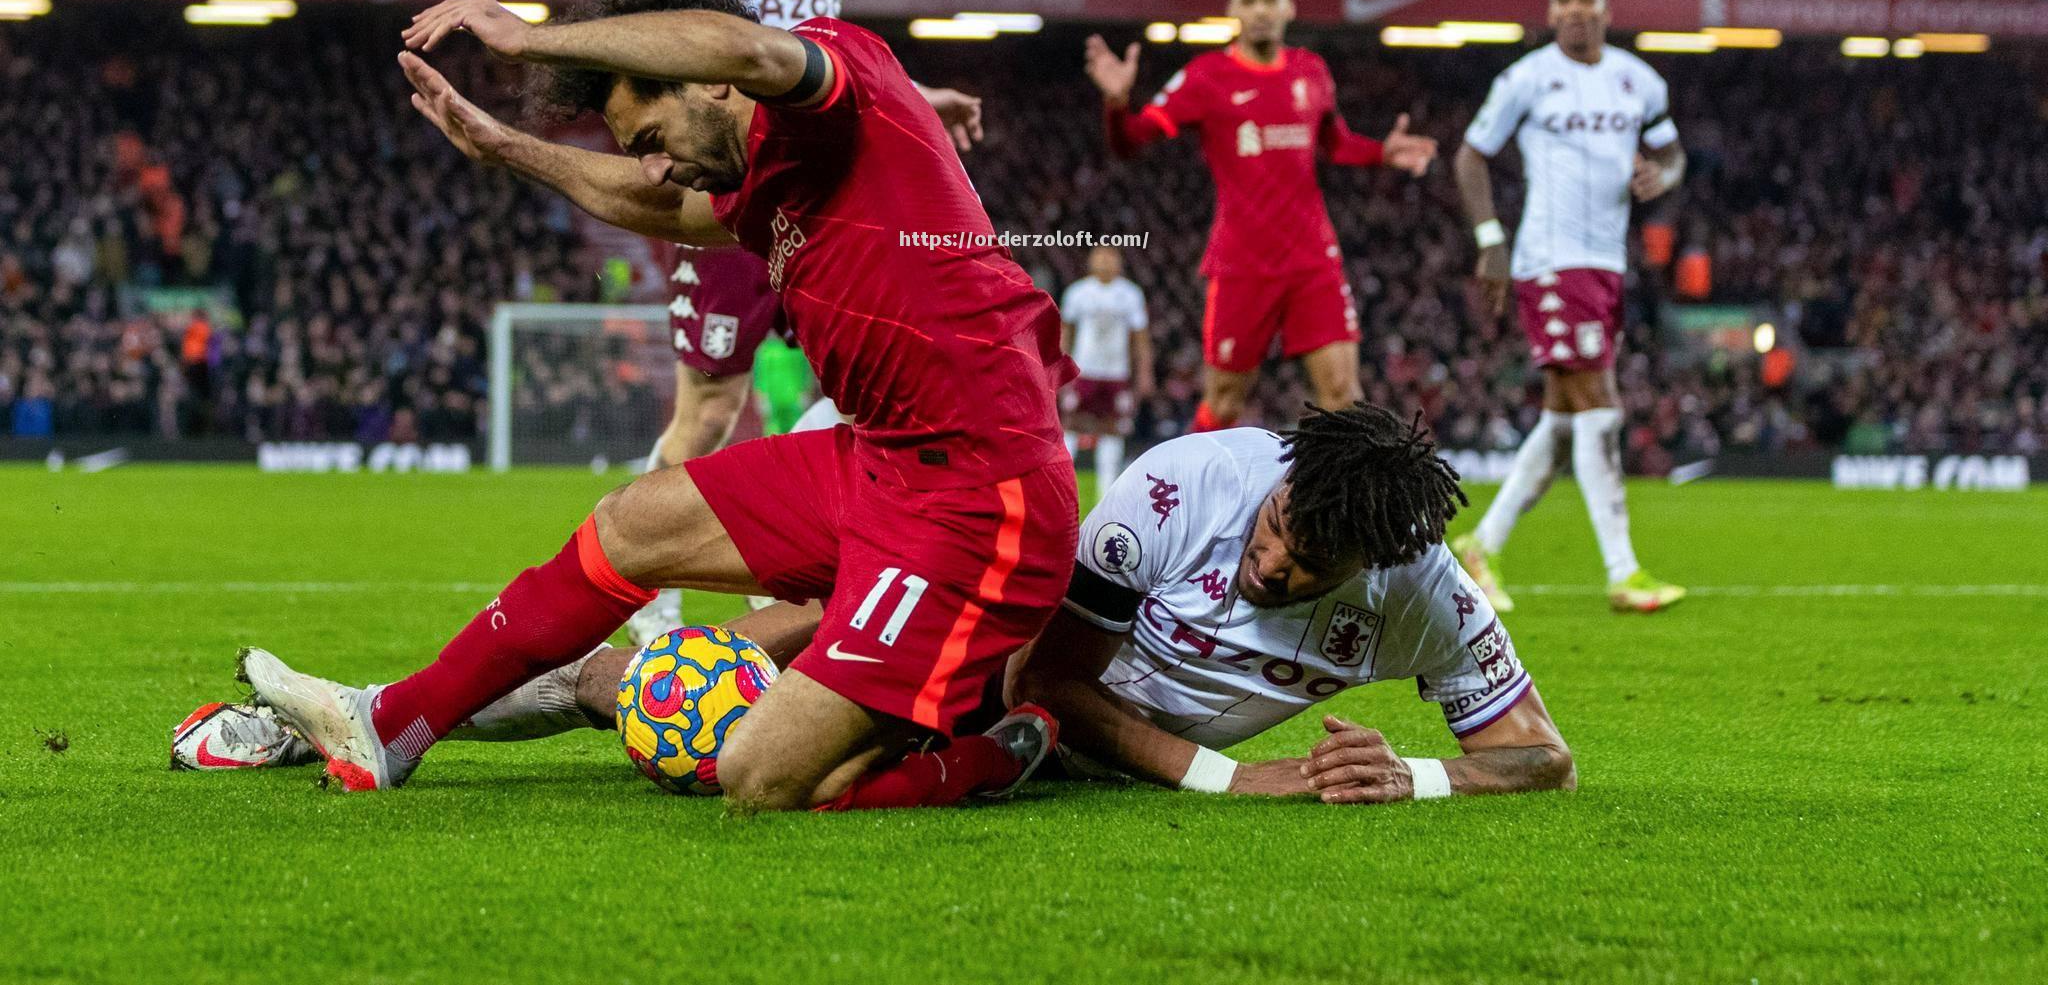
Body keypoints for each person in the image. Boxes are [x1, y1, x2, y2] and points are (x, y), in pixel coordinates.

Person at [235, 0, 1079, 811]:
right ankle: (389, 725)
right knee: (630, 522)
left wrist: (528, 40)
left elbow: (741, 48)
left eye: (649, 139)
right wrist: (506, 146)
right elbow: (666, 211)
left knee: (761, 778)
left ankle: (979, 752)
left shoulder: (837, 72)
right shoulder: (757, 176)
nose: (651, 166)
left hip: (982, 495)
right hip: (882, 464)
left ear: (706, 84)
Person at [188, 405, 1574, 809]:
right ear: (1273, 484)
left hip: (1023, 725)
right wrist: (1231, 778)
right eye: (1276, 534)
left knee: (683, 686)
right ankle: (379, 717)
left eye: (1305, 571)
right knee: (673, 692)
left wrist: (1419, 777)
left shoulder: (1421, 594)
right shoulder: (1187, 487)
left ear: (1373, 575)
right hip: (1005, 670)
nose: (1272, 567)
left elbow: (1541, 758)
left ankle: (376, 720)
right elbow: (1054, 679)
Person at [625, 0, 983, 643]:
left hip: (821, 200)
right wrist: (648, 136)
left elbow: (825, 70)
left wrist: (921, 99)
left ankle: (791, 571)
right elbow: (630, 46)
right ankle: (647, 589)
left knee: (858, 397)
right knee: (710, 414)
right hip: (730, 196)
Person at [1084, 0, 1436, 433]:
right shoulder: (1207, 78)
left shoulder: (1310, 71)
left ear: (1288, 7)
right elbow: (1130, 141)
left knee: (1343, 396)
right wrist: (1116, 105)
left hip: (1313, 259)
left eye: (1269, 0)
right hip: (1242, 263)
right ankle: (1199, 502)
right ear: (1232, 11)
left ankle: (1337, 507)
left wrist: (1381, 153)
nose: (1260, 11)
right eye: (1248, 1)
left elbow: (1336, 143)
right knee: (1224, 403)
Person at [1450, 0, 1688, 614]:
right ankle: (1623, 570)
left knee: (1562, 420)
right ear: (1551, 14)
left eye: (1587, 0)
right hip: (1552, 260)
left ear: (1607, 11)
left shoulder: (1640, 81)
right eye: (1564, 2)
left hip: (1606, 261)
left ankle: (1481, 547)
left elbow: (1673, 155)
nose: (1576, 10)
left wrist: (1658, 175)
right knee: (1598, 405)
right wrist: (1491, 238)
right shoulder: (1527, 78)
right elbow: (1470, 156)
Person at [1058, 244, 1153, 497]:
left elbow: (1140, 338)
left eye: (1111, 257)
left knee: (1113, 428)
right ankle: (1062, 486)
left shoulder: (1130, 294)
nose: (1105, 261)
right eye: (1100, 256)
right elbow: (1066, 333)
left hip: (1115, 373)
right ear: (1091, 261)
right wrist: (1059, 367)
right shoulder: (1078, 292)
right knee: (1072, 424)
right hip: (1084, 370)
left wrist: (1144, 373)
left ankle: (1107, 494)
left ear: (1119, 262)